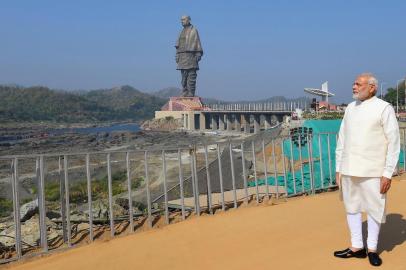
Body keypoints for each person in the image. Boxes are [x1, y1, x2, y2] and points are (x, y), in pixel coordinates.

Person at [334, 73, 400, 266]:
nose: (354, 87)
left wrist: (388, 173)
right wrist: (339, 167)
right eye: (354, 83)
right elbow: (342, 139)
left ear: (372, 88)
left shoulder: (384, 108)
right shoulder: (350, 109)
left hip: (374, 170)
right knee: (351, 208)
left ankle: (372, 249)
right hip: (349, 168)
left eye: (358, 84)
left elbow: (393, 142)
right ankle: (356, 247)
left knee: (374, 209)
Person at [175, 15, 203, 97]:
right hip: (182, 56)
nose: (182, 21)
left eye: (184, 19)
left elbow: (197, 42)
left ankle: (191, 93)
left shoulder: (193, 30)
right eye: (181, 20)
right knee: (183, 76)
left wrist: (198, 54)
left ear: (189, 20)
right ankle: (184, 91)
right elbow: (178, 46)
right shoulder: (181, 31)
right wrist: (177, 55)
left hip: (191, 56)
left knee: (191, 76)